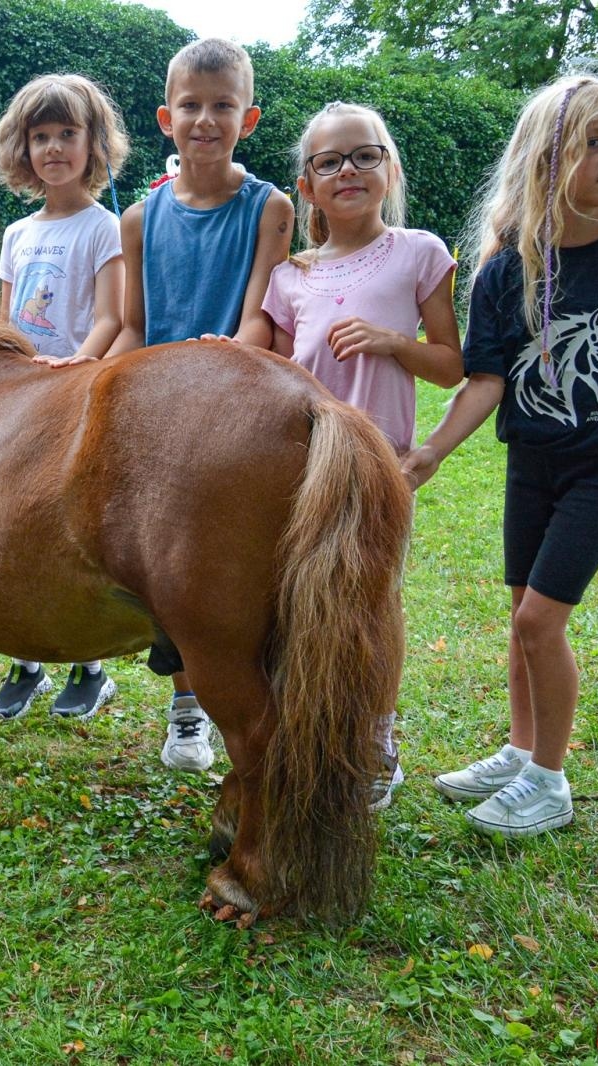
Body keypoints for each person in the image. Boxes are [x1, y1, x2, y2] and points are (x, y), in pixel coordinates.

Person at [403, 75, 598, 838]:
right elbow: (486, 380)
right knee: (520, 619)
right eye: (595, 142)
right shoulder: (508, 270)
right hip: (530, 465)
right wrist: (430, 452)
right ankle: (521, 749)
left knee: (540, 621)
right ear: (545, 157)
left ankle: (549, 780)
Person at [260, 101, 463, 808]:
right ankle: (302, 732)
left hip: (380, 464)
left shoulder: (420, 253)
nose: (348, 170)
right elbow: (273, 373)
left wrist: (393, 342)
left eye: (364, 155)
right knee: (295, 603)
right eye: (329, 162)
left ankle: (376, 738)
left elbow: (450, 365)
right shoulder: (289, 276)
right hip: (298, 468)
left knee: (373, 604)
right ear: (307, 187)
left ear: (390, 169)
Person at [104, 38, 294, 771]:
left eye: (223, 106)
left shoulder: (270, 208)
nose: (205, 120)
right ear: (166, 117)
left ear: (249, 119)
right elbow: (133, 328)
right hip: (156, 420)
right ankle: (186, 708)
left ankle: (256, 703)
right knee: (166, 573)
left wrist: (214, 372)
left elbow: (259, 321)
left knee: (232, 577)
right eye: (191, 105)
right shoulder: (138, 218)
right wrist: (82, 379)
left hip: (231, 411)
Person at [0, 73, 130, 720]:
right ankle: (26, 661)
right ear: (23, 148)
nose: (53, 148)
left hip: (76, 396)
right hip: (21, 397)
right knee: (15, 530)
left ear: (93, 143)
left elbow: (112, 317)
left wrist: (79, 364)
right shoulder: (17, 233)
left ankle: (89, 668)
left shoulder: (105, 227)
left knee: (72, 533)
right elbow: (6, 317)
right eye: (40, 136)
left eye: (67, 133)